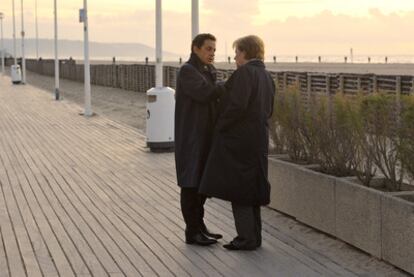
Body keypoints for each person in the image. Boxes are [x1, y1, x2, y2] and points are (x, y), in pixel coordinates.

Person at [199, 35, 275, 250]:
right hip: (258, 139)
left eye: (237, 53)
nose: (234, 57)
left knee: (239, 190)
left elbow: (236, 107)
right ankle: (254, 237)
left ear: (245, 53)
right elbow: (269, 109)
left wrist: (220, 126)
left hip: (240, 141)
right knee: (252, 190)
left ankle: (245, 238)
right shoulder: (266, 76)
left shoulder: (244, 74)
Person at [175, 33, 224, 246]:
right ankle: (192, 231)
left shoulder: (208, 70)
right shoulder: (187, 71)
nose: (212, 53)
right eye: (208, 49)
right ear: (195, 48)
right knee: (190, 184)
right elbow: (206, 93)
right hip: (191, 137)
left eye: (214, 49)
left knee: (202, 185)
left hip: (206, 135)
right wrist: (226, 86)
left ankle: (199, 226)